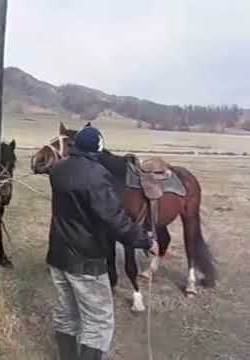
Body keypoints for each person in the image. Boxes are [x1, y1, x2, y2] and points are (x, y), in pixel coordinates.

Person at [47, 126, 158, 360]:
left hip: (58, 257)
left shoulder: (58, 169)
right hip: (86, 260)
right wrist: (145, 241)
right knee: (98, 322)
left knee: (66, 314)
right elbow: (115, 220)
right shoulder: (97, 175)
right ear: (98, 148)